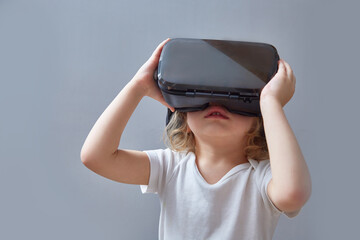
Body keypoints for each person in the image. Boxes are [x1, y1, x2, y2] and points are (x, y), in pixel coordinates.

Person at [80, 38, 312, 240]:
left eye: (235, 98)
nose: (216, 103)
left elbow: (293, 194)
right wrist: (138, 86)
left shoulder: (262, 178)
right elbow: (95, 157)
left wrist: (271, 102)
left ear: (259, 122)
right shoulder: (170, 167)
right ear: (183, 120)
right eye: (201, 95)